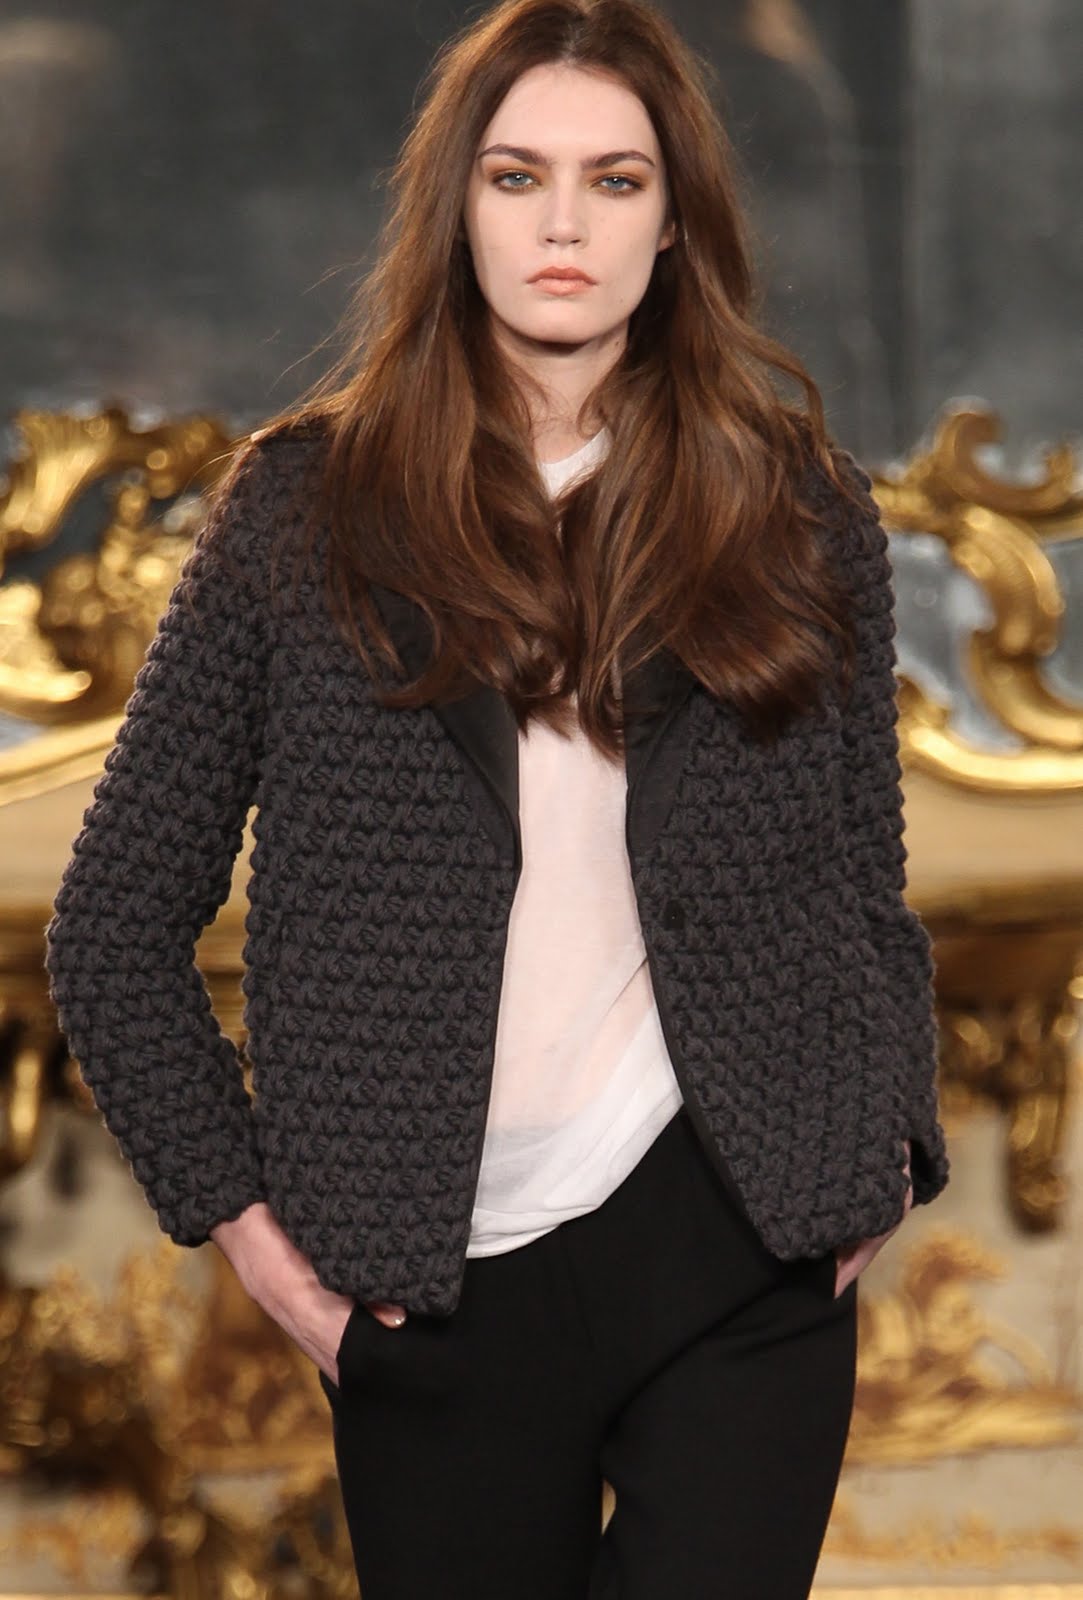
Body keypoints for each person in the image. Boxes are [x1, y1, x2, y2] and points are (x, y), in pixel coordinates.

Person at [43, 1, 950, 1596]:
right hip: (432, 1281)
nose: (563, 226)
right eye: (519, 176)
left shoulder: (797, 508)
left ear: (676, 223)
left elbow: (861, 887)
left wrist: (884, 1141)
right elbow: (112, 925)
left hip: (739, 1239)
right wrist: (263, 1250)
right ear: (456, 207)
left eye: (616, 180)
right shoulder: (304, 513)